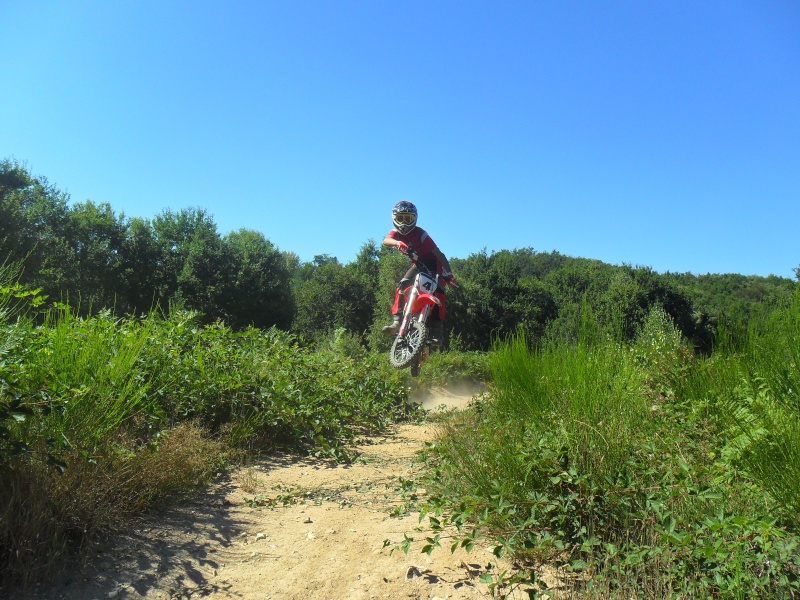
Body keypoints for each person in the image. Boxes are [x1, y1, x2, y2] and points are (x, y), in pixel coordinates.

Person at [381, 200, 456, 345]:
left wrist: (449, 274)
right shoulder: (396, 234)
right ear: (394, 218)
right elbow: (386, 240)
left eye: (407, 218)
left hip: (434, 265)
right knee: (402, 284)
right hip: (419, 264)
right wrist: (398, 243)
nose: (403, 222)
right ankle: (397, 322)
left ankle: (437, 332)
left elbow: (439, 254)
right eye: (400, 218)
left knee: (438, 292)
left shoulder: (421, 234)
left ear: (414, 218)